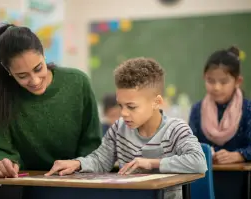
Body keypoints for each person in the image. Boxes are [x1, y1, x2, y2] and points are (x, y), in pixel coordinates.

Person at [46, 57, 207, 199]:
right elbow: (100, 160)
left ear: (156, 102)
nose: (123, 113)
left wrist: (152, 163)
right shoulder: (119, 129)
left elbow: (199, 162)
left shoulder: (176, 129)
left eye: (131, 107)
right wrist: (77, 164)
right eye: (120, 105)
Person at [0, 24, 101, 178]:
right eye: (22, 76)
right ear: (8, 71)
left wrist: (79, 164)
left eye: (38, 68)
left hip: (76, 179)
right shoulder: (0, 92)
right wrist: (3, 162)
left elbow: (92, 144)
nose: (34, 81)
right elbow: (0, 147)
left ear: (44, 54)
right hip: (25, 182)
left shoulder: (78, 82)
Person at [189, 46, 251, 165]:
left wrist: (240, 155)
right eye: (210, 81)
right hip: (204, 179)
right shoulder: (197, 110)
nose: (216, 87)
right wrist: (206, 154)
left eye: (223, 82)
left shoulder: (248, 109)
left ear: (238, 82)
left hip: (239, 180)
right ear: (204, 78)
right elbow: (189, 146)